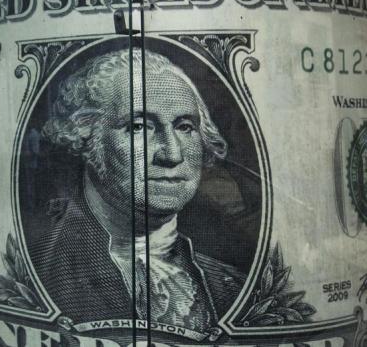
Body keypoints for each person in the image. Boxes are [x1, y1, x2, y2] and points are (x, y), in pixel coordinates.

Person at [29, 48, 244, 333]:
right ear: (85, 136)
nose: (172, 154)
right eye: (139, 126)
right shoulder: (38, 272)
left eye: (184, 127)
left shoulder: (233, 285)